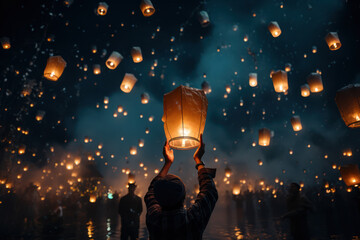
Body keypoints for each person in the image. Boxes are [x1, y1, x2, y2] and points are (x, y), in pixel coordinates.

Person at [145, 134, 218, 240]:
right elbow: (210, 191)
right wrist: (198, 160)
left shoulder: (154, 219)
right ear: (184, 197)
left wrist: (167, 163)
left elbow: (151, 191)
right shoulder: (193, 220)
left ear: (158, 197)